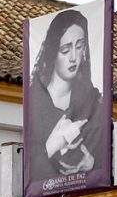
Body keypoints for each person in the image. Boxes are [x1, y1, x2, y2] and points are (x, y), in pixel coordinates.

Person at [27, 9, 103, 179]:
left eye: (79, 46)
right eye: (65, 50)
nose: (74, 57)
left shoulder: (94, 102)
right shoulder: (34, 101)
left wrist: (92, 164)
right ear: (53, 52)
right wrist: (52, 145)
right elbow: (27, 171)